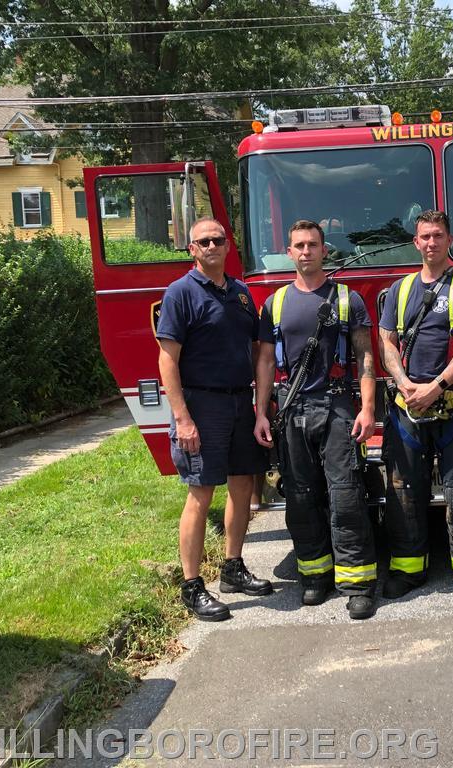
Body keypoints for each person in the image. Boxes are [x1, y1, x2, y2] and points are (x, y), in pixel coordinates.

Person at [253, 220, 379, 621]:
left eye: (312, 245)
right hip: (291, 410)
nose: (305, 251)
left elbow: (366, 357)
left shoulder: (347, 299)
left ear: (325, 250)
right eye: (298, 246)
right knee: (301, 497)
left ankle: (358, 585)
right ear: (289, 253)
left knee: (345, 496)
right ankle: (314, 576)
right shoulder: (274, 304)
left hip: (338, 406)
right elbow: (267, 362)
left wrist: (368, 408)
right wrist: (261, 412)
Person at [156, 217, 273, 622]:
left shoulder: (241, 293)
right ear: (191, 249)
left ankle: (232, 568)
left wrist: (259, 409)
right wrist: (182, 418)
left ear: (228, 246)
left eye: (217, 240)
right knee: (201, 493)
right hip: (202, 406)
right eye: (202, 241)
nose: (210, 246)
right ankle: (192, 587)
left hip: (241, 403)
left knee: (242, 487)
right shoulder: (180, 294)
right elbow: (166, 360)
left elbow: (259, 352)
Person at [377, 210, 453, 602]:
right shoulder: (400, 290)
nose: (431, 243)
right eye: (425, 236)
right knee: (404, 491)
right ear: (416, 242)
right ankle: (408, 569)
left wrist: (436, 385)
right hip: (407, 409)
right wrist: (404, 383)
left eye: (438, 236)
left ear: (450, 240)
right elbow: (387, 340)